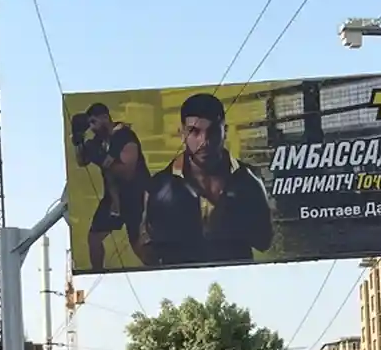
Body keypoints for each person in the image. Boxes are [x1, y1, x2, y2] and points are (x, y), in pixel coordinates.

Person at [142, 91, 274, 267]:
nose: (204, 141)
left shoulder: (249, 181)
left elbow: (264, 242)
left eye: (212, 131)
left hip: (235, 285)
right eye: (194, 132)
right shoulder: (159, 187)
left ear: (224, 131)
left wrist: (231, 222)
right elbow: (149, 252)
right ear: (182, 134)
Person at [86, 125, 153, 272]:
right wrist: (78, 141)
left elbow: (127, 172)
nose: (91, 127)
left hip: (135, 196)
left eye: (94, 122)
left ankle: (160, 265)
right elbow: (82, 160)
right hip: (113, 198)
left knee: (138, 244)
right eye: (89, 123)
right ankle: (96, 272)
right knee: (94, 238)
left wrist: (101, 159)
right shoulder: (97, 142)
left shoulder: (125, 137)